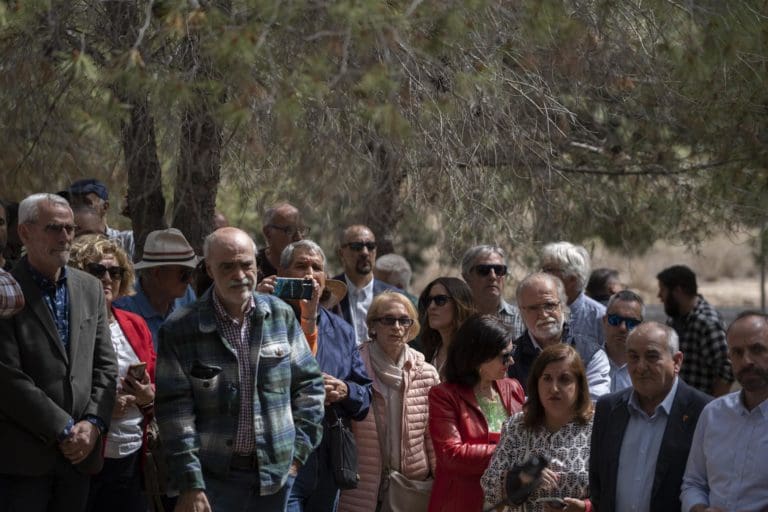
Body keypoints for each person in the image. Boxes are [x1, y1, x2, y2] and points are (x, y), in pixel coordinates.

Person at [155, 227, 325, 512]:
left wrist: (296, 456)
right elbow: (175, 414)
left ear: (257, 265)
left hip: (275, 479)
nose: (240, 275)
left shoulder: (280, 315)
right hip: (211, 482)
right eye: (227, 266)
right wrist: (191, 484)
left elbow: (310, 386)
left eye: (246, 264)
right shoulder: (180, 328)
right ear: (209, 269)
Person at [0, 193, 117, 512]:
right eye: (54, 228)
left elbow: (106, 365)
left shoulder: (89, 288)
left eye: (70, 228)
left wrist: (93, 423)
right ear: (24, 232)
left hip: (80, 458)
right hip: (25, 460)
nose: (65, 237)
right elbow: (7, 377)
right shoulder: (6, 289)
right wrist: (64, 429)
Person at [260, 239, 372, 512]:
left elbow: (365, 394)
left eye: (317, 267)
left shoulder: (341, 330)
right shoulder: (261, 318)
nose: (310, 273)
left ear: (325, 277)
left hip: (327, 461)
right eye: (301, 266)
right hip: (279, 456)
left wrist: (345, 390)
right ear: (281, 273)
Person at [69, 235, 157, 512]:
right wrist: (103, 409)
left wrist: (146, 395)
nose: (107, 278)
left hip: (132, 456)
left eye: (115, 271)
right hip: (86, 457)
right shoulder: (67, 325)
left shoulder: (135, 323)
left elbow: (155, 382)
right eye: (97, 270)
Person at [590, 322, 711, 512]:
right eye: (633, 357)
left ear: (677, 361)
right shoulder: (608, 409)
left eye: (652, 357)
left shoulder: (704, 412)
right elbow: (598, 486)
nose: (641, 367)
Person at [338, 291, 440, 512]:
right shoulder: (353, 367)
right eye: (388, 320)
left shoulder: (427, 373)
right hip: (360, 488)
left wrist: (440, 481)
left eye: (404, 321)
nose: (397, 327)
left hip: (410, 489)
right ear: (373, 326)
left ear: (412, 328)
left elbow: (433, 436)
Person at [428, 315, 525, 512]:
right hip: (462, 502)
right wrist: (510, 452)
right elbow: (451, 455)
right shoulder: (444, 395)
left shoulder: (513, 388)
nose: (512, 361)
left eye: (512, 352)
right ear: (479, 357)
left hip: (508, 502)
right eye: (504, 356)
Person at [481, 344, 594, 512]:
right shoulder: (517, 426)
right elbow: (489, 487)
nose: (554, 388)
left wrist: (584, 507)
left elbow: (612, 490)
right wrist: (521, 478)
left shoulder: (597, 429)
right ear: (536, 383)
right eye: (547, 378)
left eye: (564, 379)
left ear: (579, 386)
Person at [680, 311, 768, 512]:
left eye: (757, 349)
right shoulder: (713, 414)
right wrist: (700, 509)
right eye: (737, 352)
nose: (746, 361)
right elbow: (693, 483)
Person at [509, 272, 610, 400]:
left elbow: (594, 407)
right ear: (521, 312)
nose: (544, 315)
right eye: (533, 308)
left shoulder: (591, 355)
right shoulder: (509, 358)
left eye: (549, 305)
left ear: (562, 305)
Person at [113, 227, 198, 346]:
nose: (190, 280)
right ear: (157, 273)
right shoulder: (122, 308)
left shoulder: (186, 295)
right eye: (185, 274)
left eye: (192, 272)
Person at [656, 265, 733, 396]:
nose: (659, 296)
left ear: (678, 291)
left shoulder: (706, 323)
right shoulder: (675, 318)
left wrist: (711, 406)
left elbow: (727, 370)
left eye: (662, 290)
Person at [332, 225, 400, 344]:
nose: (364, 252)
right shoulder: (329, 292)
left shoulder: (393, 297)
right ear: (341, 253)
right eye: (356, 247)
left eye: (370, 246)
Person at [541, 241, 606, 347]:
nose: (542, 275)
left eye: (549, 270)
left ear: (572, 279)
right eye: (543, 270)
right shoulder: (536, 309)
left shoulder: (599, 317)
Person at [461, 245, 524, 340]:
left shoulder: (523, 319)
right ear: (467, 276)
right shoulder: (454, 317)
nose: (493, 277)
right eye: (483, 270)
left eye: (499, 270)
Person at [417, 276, 475, 378]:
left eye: (440, 300)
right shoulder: (430, 348)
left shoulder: (475, 351)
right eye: (428, 301)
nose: (431, 307)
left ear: (459, 304)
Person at [69, 178, 135, 260]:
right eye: (73, 204)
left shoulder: (126, 241)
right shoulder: (65, 244)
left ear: (104, 207)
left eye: (85, 204)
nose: (78, 211)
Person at [602, 290, 645, 393]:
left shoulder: (648, 370)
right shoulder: (586, 364)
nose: (622, 328)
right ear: (604, 321)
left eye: (632, 323)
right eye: (615, 319)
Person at [257, 202, 309, 282]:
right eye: (289, 230)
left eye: (302, 230)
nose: (299, 237)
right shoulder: (251, 266)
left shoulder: (311, 264)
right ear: (268, 233)